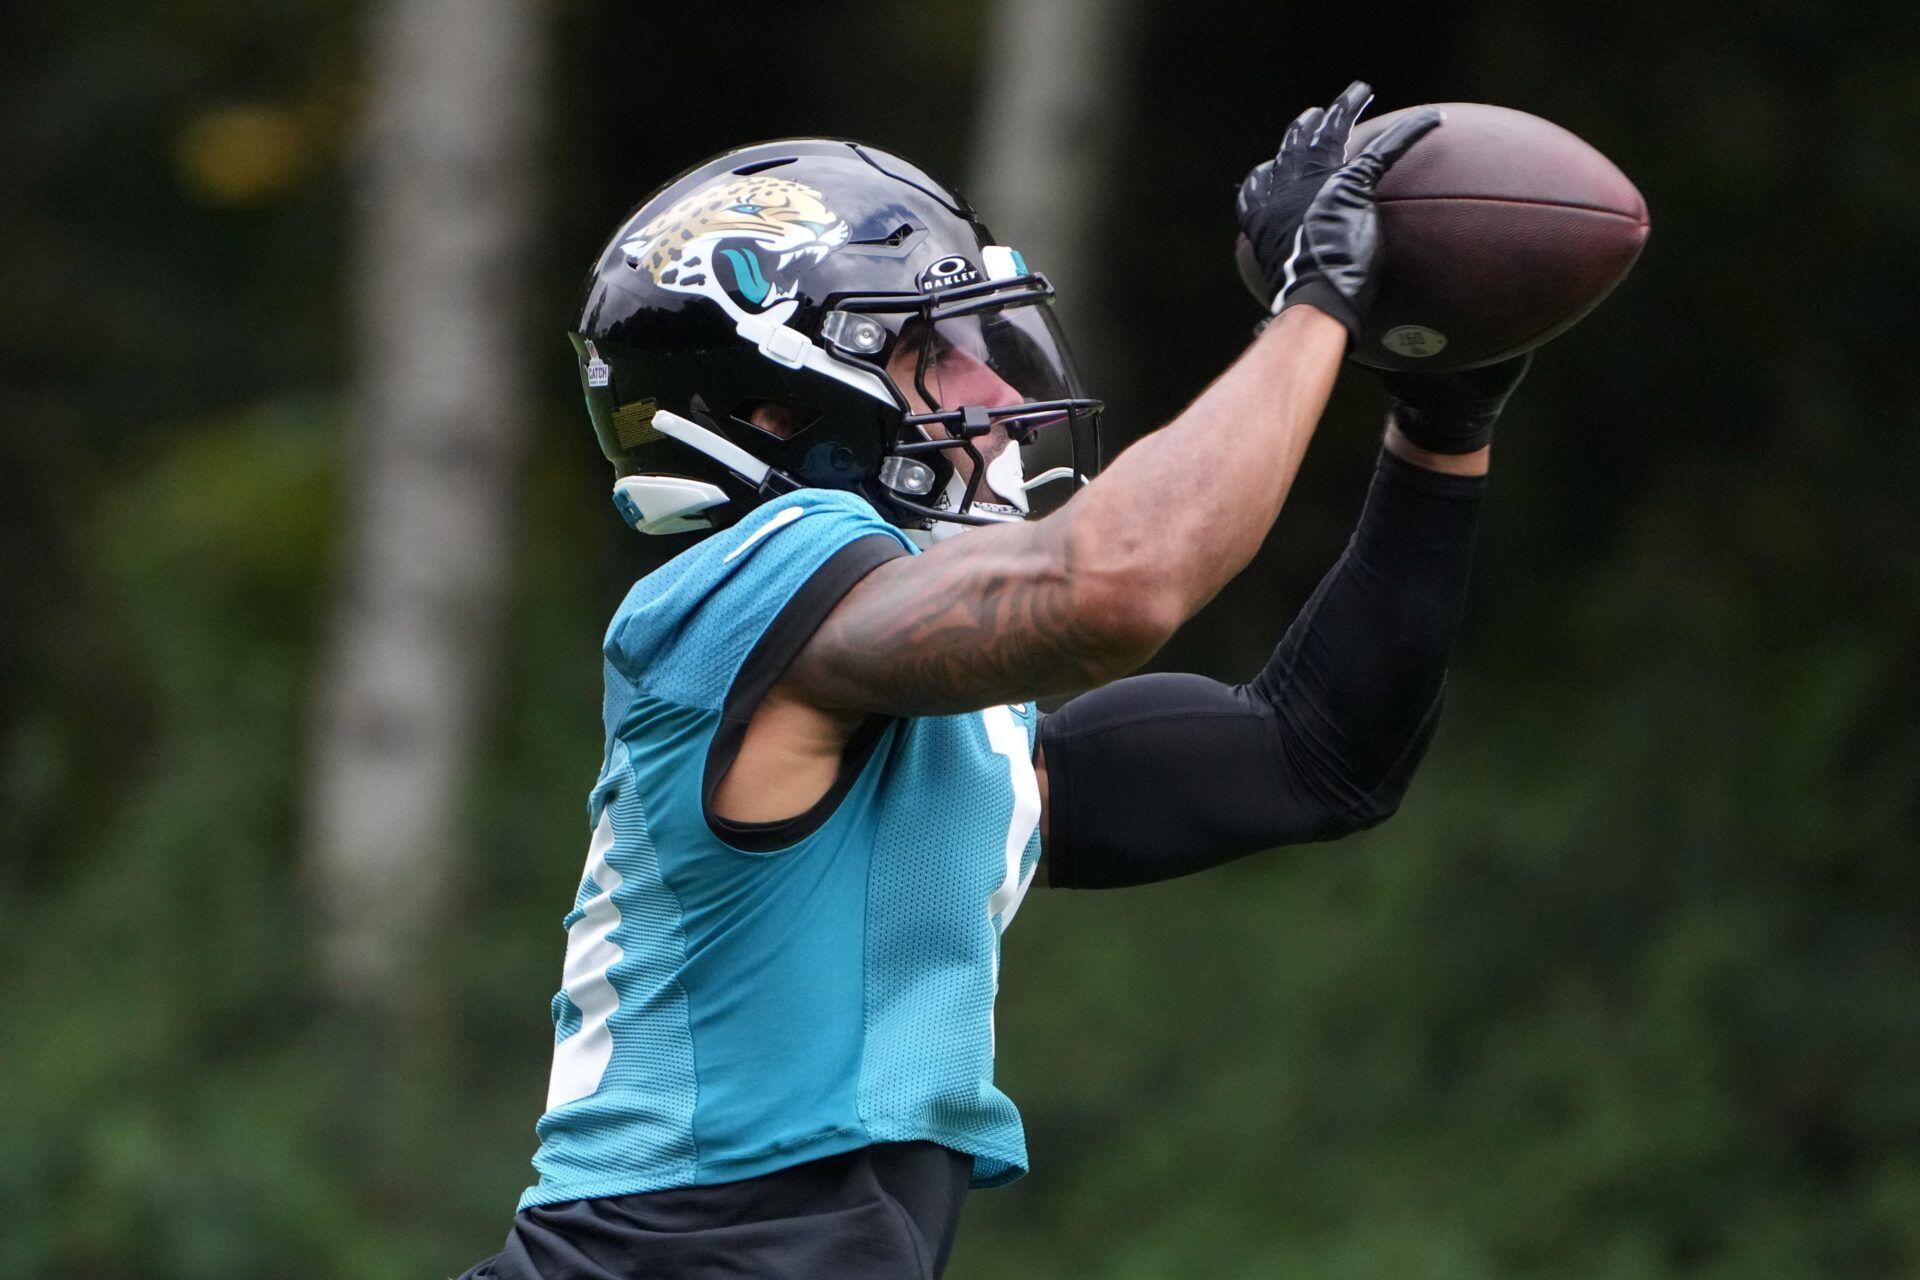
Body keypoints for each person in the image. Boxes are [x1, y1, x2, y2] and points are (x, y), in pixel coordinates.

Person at [461, 81, 1531, 1280]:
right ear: (781, 408)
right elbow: (1112, 587)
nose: (1005, 397)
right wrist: (1313, 307)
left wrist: (1442, 428)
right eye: (935, 354)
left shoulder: (948, 743)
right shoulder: (744, 580)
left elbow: (1319, 753)